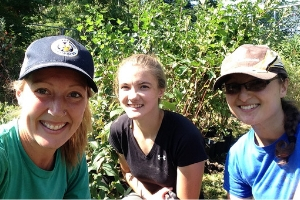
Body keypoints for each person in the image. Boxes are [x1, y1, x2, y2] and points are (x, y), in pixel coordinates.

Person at [0, 35, 98, 199]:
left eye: (74, 94)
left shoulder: (72, 155)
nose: (57, 111)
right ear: (20, 94)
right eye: (43, 91)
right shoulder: (4, 155)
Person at [108, 54, 208, 200]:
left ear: (160, 90)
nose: (133, 96)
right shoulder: (119, 130)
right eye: (125, 87)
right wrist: (150, 198)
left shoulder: (185, 136)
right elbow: (128, 173)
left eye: (143, 86)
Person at [213, 44, 300, 199]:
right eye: (232, 87)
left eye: (256, 83)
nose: (244, 97)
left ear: (283, 87)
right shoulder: (238, 155)